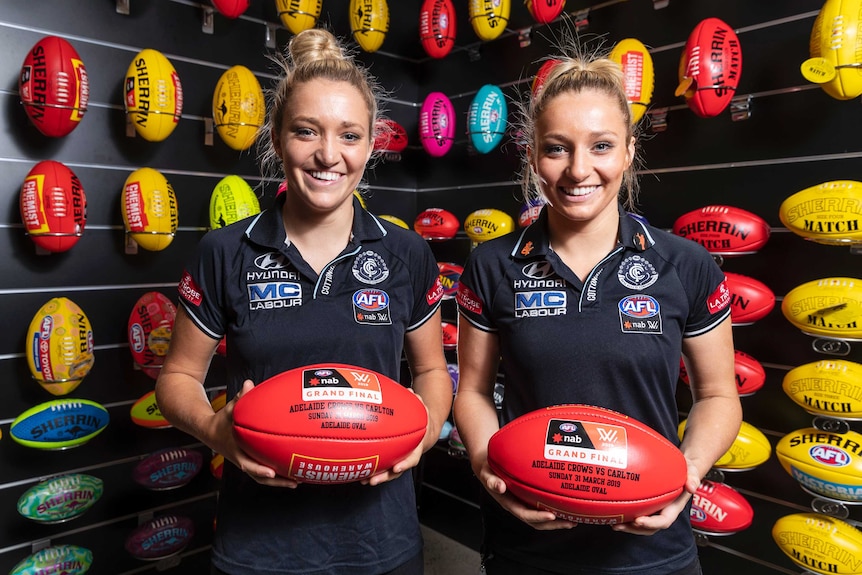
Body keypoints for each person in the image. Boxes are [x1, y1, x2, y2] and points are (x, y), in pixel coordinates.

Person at [155, 28, 453, 575]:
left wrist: (424, 432)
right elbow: (176, 378)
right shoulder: (224, 251)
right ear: (275, 138)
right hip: (259, 547)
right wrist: (216, 429)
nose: (327, 156)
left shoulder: (406, 252)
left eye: (349, 136)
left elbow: (433, 368)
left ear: (369, 146)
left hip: (380, 543)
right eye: (306, 132)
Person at [452, 45, 743, 575]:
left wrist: (688, 474)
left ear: (629, 151)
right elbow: (471, 391)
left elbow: (719, 395)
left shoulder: (686, 265)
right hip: (527, 542)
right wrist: (485, 463)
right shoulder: (492, 265)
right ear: (533, 155)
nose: (578, 170)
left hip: (651, 548)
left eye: (601, 146)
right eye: (557, 148)